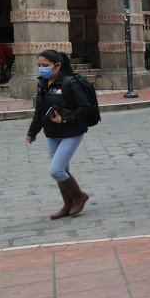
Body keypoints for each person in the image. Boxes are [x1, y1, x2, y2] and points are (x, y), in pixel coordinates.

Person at [25, 50, 92, 219]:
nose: (42, 69)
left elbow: (84, 108)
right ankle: (68, 204)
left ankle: (79, 197)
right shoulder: (42, 84)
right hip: (52, 134)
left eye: (45, 65)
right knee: (63, 170)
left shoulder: (70, 83)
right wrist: (32, 131)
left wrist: (64, 119)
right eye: (39, 65)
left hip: (71, 132)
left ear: (57, 66)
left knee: (56, 170)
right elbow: (39, 110)